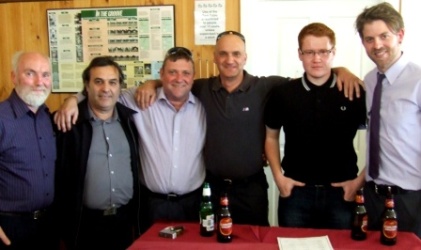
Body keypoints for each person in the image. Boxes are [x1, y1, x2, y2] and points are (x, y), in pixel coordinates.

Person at [132, 31, 363, 226]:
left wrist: (342, 70)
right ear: (215, 57)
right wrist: (152, 83)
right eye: (223, 53)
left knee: (255, 242)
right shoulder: (201, 88)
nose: (229, 59)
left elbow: (313, 76)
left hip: (251, 188)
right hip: (210, 187)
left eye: (236, 54)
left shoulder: (267, 87)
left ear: (245, 57)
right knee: (211, 242)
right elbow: (177, 82)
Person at [54, 47, 206, 233]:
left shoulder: (204, 103)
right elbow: (103, 94)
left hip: (193, 203)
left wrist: (153, 82)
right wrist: (71, 99)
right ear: (162, 74)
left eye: (185, 73)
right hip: (151, 204)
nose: (179, 78)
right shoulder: (139, 99)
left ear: (193, 76)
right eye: (172, 72)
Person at [264, 22, 366, 229]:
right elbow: (271, 137)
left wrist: (359, 182)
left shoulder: (354, 92)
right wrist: (278, 178)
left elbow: (378, 141)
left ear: (333, 52)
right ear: (300, 54)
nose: (317, 59)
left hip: (342, 193)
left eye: (323, 51)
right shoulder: (282, 93)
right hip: (295, 194)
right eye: (309, 52)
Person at [54, 56, 141, 249]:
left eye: (112, 82)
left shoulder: (130, 121)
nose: (106, 89)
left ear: (120, 87)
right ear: (87, 86)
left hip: (124, 222)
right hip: (85, 225)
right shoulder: (69, 123)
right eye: (98, 82)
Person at [355, 2, 421, 238]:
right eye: (369, 39)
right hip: (372, 197)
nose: (377, 45)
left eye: (384, 36)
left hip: (410, 199)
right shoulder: (370, 80)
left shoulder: (418, 80)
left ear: (400, 35)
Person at [0, 51, 58, 249]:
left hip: (47, 224)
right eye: (30, 73)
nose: (39, 82)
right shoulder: (2, 118)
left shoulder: (47, 117)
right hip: (10, 227)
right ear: (14, 76)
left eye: (45, 75)